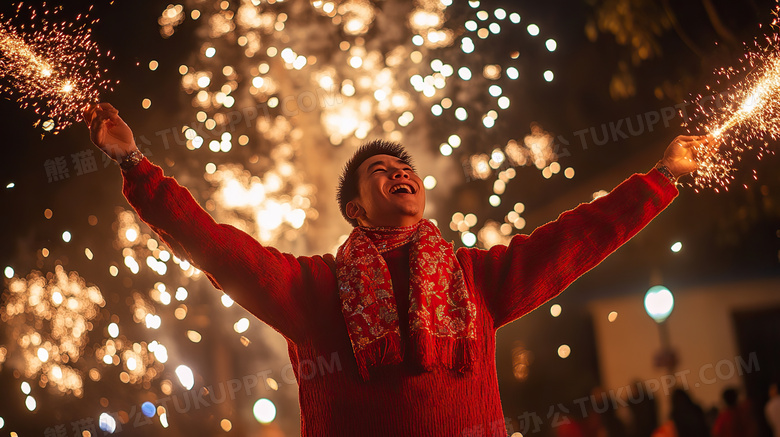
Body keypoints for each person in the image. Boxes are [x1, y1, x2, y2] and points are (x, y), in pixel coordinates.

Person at [84, 103, 704, 436]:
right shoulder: (317, 290)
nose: (399, 173)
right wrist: (138, 165)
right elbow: (217, 248)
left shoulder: (475, 279)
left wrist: (660, 180)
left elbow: (576, 240)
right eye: (379, 171)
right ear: (355, 209)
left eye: (404, 167)